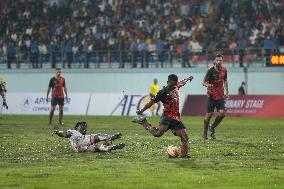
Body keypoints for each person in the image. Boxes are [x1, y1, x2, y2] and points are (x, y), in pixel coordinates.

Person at [133, 74, 194, 158]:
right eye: (172, 84)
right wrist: (141, 111)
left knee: (185, 136)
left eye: (175, 84)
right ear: (168, 82)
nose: (174, 86)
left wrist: (188, 78)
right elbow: (150, 103)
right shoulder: (162, 92)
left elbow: (182, 83)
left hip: (176, 118)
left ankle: (184, 155)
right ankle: (143, 121)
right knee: (157, 134)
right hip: (167, 117)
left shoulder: (176, 86)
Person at [202, 52, 229, 140]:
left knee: (222, 113)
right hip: (211, 95)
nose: (219, 61)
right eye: (217, 60)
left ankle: (212, 127)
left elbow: (225, 81)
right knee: (208, 116)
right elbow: (203, 82)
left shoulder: (224, 70)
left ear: (222, 61)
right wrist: (208, 85)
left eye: (220, 60)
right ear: (215, 61)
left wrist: (227, 91)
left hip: (220, 95)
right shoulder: (210, 70)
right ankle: (205, 134)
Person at [52, 121, 125, 152]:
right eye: (83, 126)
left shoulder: (78, 134)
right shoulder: (73, 131)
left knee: (96, 148)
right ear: (78, 127)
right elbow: (65, 134)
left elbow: (64, 134)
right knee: (96, 136)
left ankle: (109, 147)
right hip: (79, 140)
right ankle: (110, 137)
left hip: (78, 149)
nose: (85, 128)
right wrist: (58, 132)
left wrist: (58, 133)